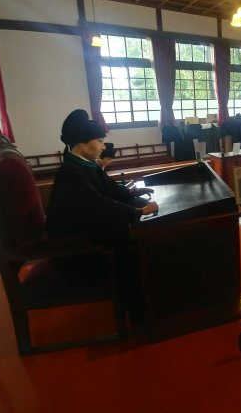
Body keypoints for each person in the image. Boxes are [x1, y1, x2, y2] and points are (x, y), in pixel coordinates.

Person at [46, 110, 158, 321]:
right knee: (135, 247)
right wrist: (138, 211)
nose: (103, 146)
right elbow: (98, 204)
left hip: (90, 229)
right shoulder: (71, 171)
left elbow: (110, 189)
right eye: (99, 141)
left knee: (136, 238)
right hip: (79, 248)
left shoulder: (85, 164)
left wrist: (133, 193)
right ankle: (139, 313)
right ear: (81, 143)